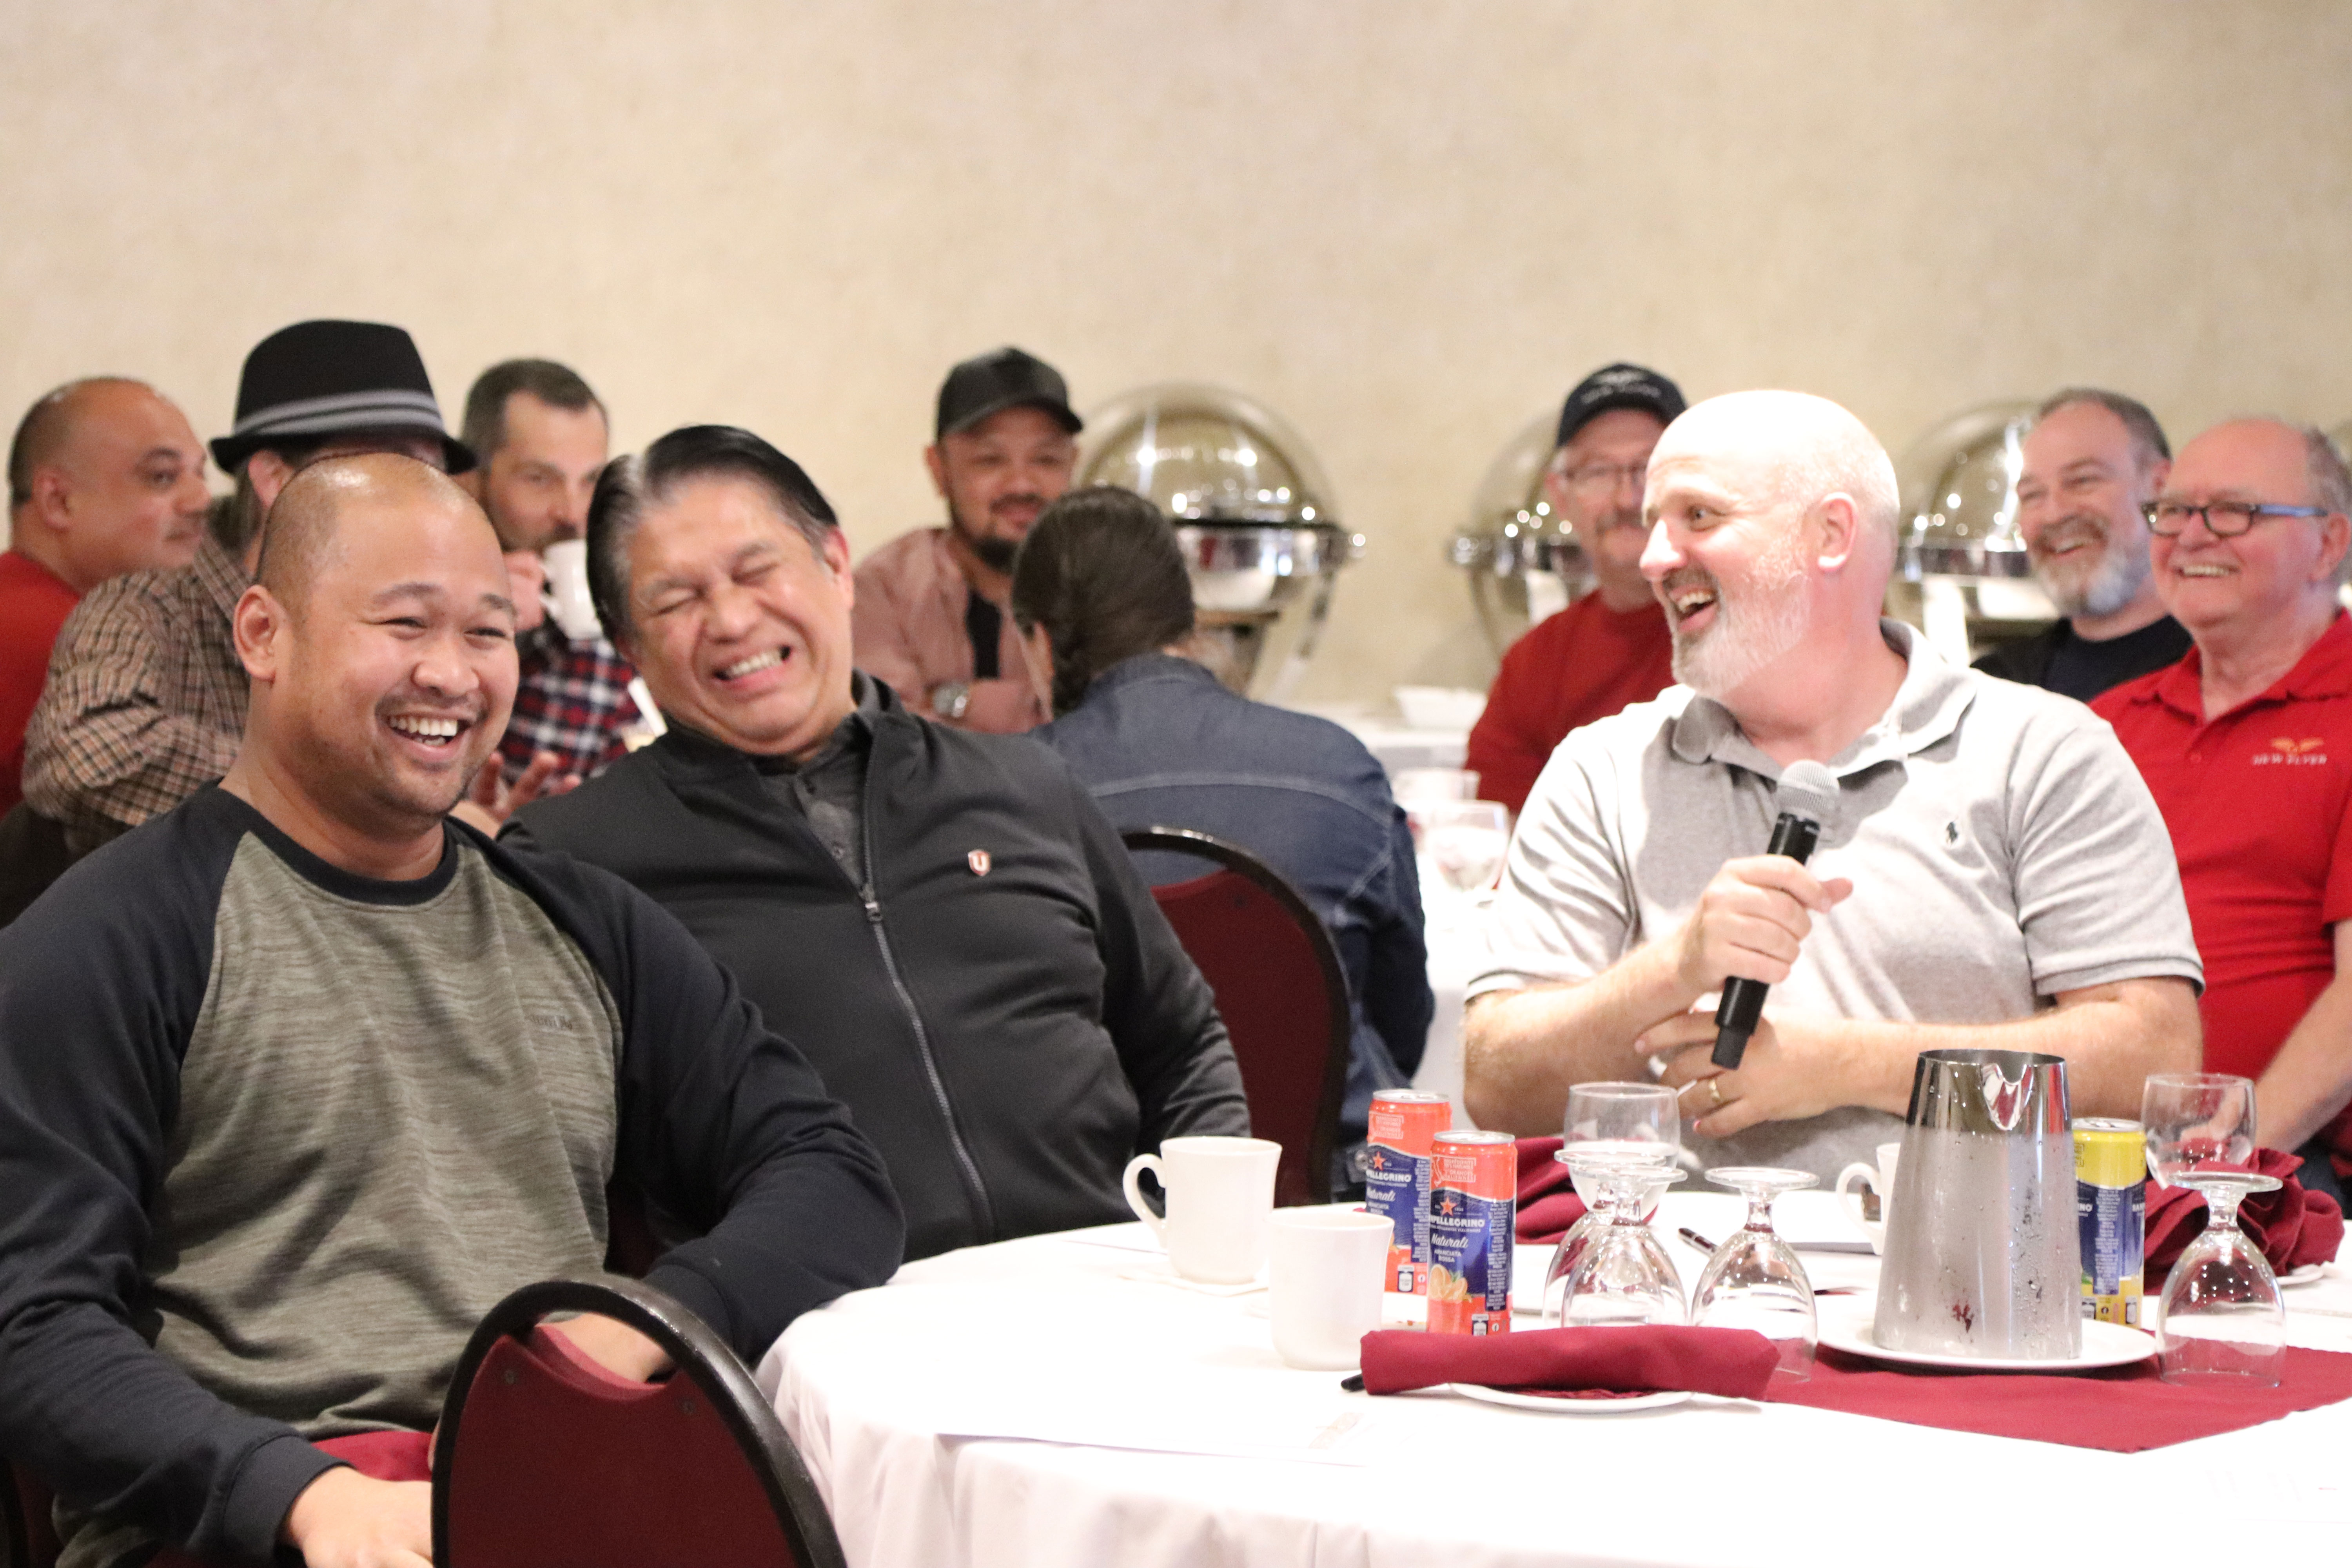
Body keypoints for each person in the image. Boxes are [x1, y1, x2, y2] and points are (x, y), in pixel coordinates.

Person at [0, 453, 900, 1568]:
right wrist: (302, 1497)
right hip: (265, 1520)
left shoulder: (576, 917)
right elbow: (29, 1322)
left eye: (486, 633)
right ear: (262, 635)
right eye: (404, 624)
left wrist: (633, 1328)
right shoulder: (115, 934)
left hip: (564, 1488)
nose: (453, 675)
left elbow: (828, 1167)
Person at [509, 426, 1249, 1261]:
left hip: (1103, 1291)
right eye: (675, 600)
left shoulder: (1025, 786)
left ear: (836, 564)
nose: (732, 618)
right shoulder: (575, 863)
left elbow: (1182, 1043)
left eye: (758, 570)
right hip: (811, 1341)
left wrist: (1199, 1251)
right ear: (629, 646)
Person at [1462, 390, 2203, 1178]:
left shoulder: (2041, 751)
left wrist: (1849, 1063)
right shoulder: (1603, 768)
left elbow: (2153, 1059)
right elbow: (1496, 1085)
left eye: (1699, 517)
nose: (1654, 556)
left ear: (1831, 534)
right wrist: (1673, 968)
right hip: (1674, 1272)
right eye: (1655, 522)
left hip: (1963, 1276)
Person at [1015, 485, 1435, 1181]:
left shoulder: (1013, 794)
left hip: (1112, 1201)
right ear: (1193, 618)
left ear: (1038, 641)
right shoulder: (1337, 767)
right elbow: (1404, 1019)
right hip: (1334, 1195)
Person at [22, 319, 508, 858]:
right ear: (275, 479)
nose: (414, 499)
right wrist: (321, 788)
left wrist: (468, 821)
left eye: (429, 474)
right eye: (377, 469)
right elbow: (83, 753)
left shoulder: (451, 638)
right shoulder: (144, 611)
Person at [2093, 420, 2352, 1203]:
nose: (2192, 535)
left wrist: (2232, 1152)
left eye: (2236, 510)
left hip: (2286, 1168)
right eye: (2172, 511)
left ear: (2330, 543)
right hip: (2099, 1152)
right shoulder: (2103, 723)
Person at [1465, 364, 1687, 817]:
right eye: (1598, 472)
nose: (1627, 499)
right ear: (1561, 496)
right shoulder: (1535, 664)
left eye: (1648, 469)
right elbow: (1500, 829)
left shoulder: (1751, 632)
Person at [2, 378, 210, 813]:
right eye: (161, 477)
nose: (200, 500)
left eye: (200, 473)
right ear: (59, 501)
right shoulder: (50, 638)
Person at [851, 346, 1078, 731]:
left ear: (1074, 464)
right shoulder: (883, 590)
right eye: (990, 460)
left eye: (1047, 460)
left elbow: (1124, 725)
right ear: (939, 469)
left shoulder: (1107, 586)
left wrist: (949, 699)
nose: (1022, 484)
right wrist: (1039, 705)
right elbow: (890, 742)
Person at [458, 357, 644, 785]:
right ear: (472, 478)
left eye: (590, 480)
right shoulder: (403, 595)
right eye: (540, 479)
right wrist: (475, 622)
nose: (573, 513)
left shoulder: (611, 634)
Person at [1973, 389, 2192, 700]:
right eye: (2033, 495)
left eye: (2083, 481)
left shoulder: (2225, 672)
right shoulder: (1996, 688)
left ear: (2161, 489)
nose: (2055, 514)